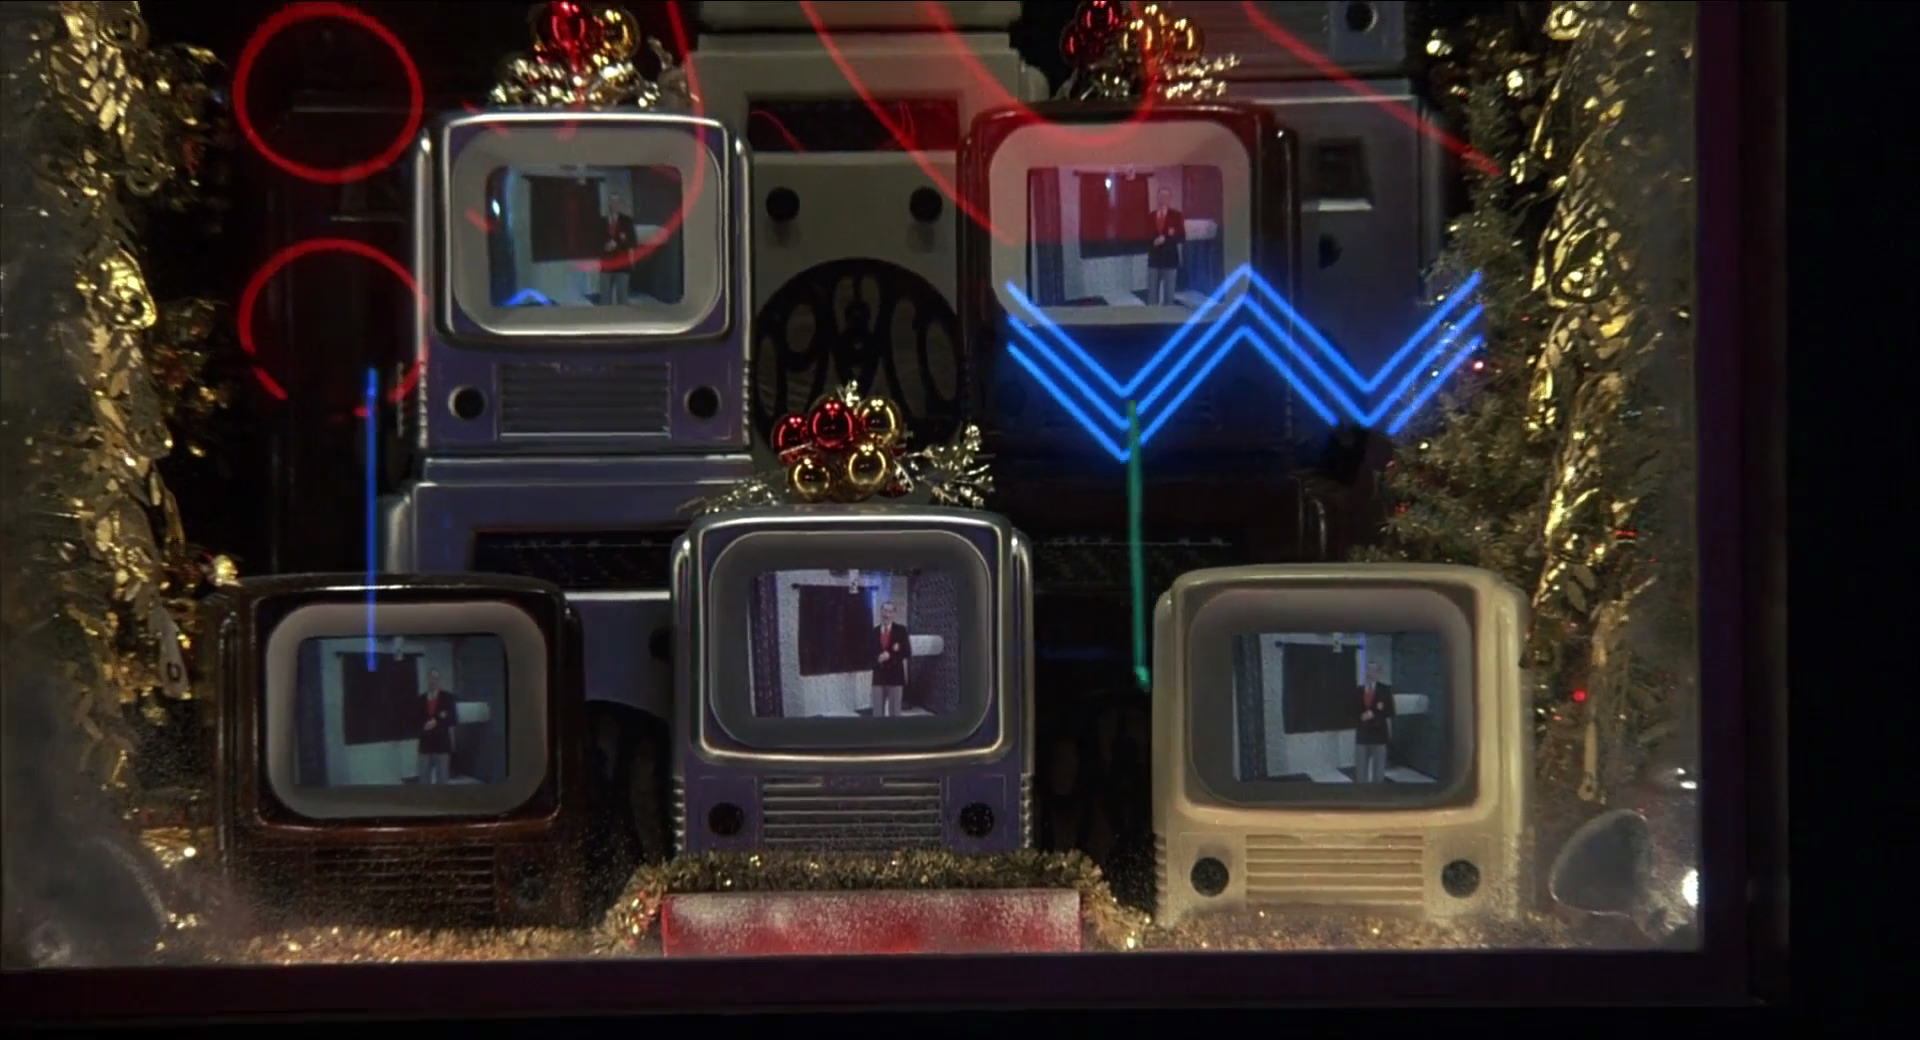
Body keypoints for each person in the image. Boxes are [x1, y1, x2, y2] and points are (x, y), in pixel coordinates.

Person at [1354, 659, 1396, 783]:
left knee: (1378, 773)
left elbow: (1390, 713)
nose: (1370, 672)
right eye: (1368, 669)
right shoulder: (1358, 690)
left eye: (1374, 670)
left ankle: (1377, 793)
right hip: (1362, 736)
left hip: (1379, 736)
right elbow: (1351, 711)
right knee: (1361, 773)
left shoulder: (1385, 690)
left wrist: (1389, 737)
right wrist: (1360, 717)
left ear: (1378, 673)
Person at [870, 600, 911, 718]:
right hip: (878, 678)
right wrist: (877, 659)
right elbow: (868, 653)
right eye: (884, 611)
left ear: (894, 614)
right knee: (877, 713)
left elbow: (907, 652)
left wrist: (890, 656)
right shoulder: (874, 631)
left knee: (895, 713)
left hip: (895, 677)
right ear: (881, 612)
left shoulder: (901, 630)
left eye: (889, 611)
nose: (886, 614)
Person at [1146, 187, 1185, 305]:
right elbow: (1145, 236)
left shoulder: (1176, 216)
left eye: (1166, 196)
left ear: (1170, 199)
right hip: (1154, 260)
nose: (1163, 199)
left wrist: (1166, 239)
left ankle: (1168, 315)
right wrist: (1153, 242)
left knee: (1169, 296)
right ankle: (1153, 315)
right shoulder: (1150, 216)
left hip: (1170, 260)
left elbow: (1181, 237)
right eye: (1161, 196)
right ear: (1157, 198)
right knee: (1152, 296)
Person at [418, 669, 458, 785]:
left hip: (442, 745)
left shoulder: (448, 697)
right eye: (431, 678)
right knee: (423, 779)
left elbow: (453, 719)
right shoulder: (420, 699)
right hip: (425, 745)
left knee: (442, 779)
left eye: (435, 678)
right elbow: (415, 720)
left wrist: (437, 722)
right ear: (427, 679)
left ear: (439, 680)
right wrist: (423, 726)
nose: (433, 681)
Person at [601, 192, 637, 305]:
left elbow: (633, 242)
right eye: (612, 201)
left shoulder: (627, 221)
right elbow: (596, 242)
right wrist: (604, 246)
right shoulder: (602, 221)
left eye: (616, 201)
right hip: (606, 264)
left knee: (622, 299)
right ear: (609, 204)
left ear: (620, 204)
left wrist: (621, 241)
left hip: (622, 265)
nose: (614, 204)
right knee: (605, 299)